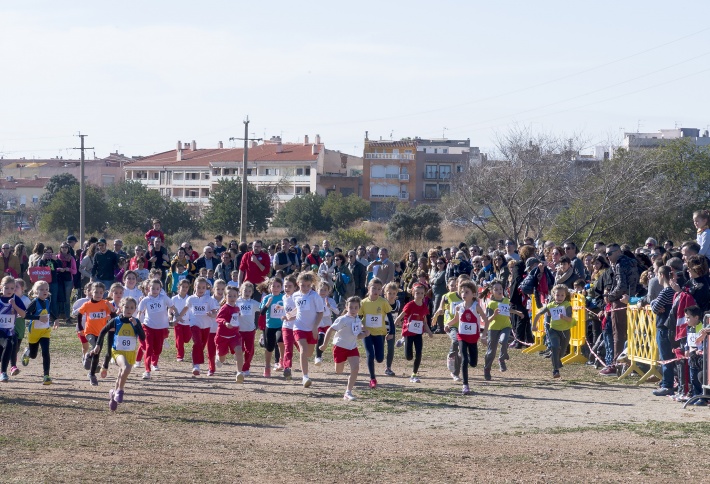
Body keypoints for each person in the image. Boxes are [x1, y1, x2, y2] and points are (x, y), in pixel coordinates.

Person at [89, 297, 146, 411]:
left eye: (132, 308)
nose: (129, 310)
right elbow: (103, 331)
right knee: (126, 367)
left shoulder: (136, 321)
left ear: (135, 309)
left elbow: (143, 337)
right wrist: (98, 345)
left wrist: (137, 326)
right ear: (121, 307)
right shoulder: (116, 320)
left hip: (130, 353)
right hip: (117, 351)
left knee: (121, 373)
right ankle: (120, 390)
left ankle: (113, 396)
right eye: (126, 307)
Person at [599, 243, 638, 376]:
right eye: (606, 254)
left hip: (620, 302)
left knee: (618, 334)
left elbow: (621, 285)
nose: (607, 256)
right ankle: (628, 363)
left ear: (618, 252)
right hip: (632, 300)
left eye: (610, 253)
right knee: (630, 334)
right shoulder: (632, 262)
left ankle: (616, 364)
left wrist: (609, 297)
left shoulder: (620, 264)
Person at [319, 296, 369, 401]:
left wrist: (365, 334)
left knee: (355, 369)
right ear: (346, 307)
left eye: (356, 307)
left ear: (359, 308)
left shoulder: (358, 320)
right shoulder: (342, 319)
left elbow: (357, 336)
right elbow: (329, 330)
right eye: (351, 307)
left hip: (352, 347)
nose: (353, 310)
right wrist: (324, 344)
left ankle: (348, 392)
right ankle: (340, 368)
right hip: (340, 347)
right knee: (339, 371)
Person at [445, 280, 490, 394]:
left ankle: (467, 356)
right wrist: (447, 324)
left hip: (473, 337)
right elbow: (455, 320)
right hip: (462, 336)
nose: (464, 294)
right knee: (464, 360)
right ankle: (465, 385)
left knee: (473, 363)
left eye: (467, 292)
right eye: (462, 292)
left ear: (473, 294)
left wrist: (484, 335)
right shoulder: (459, 307)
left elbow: (486, 320)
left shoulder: (476, 306)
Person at [533, 284, 576, 379]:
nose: (559, 297)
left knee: (562, 351)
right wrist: (534, 326)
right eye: (557, 295)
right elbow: (538, 314)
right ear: (553, 295)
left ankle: (557, 361)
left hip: (565, 331)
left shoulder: (567, 305)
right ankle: (555, 370)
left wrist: (564, 317)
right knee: (555, 347)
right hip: (553, 330)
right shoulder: (550, 305)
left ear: (565, 296)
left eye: (562, 295)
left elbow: (570, 319)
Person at [179, 276, 219, 377]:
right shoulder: (191, 299)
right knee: (197, 342)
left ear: (206, 288)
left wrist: (212, 314)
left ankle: (195, 359)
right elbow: (186, 308)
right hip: (194, 324)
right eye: (199, 287)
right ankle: (196, 366)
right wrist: (178, 317)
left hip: (206, 326)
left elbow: (215, 313)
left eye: (203, 287)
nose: (201, 290)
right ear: (194, 287)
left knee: (201, 345)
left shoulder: (209, 299)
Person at [77, 282, 116, 385]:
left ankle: (92, 374)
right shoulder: (87, 304)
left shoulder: (106, 303)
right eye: (96, 292)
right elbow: (79, 314)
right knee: (95, 347)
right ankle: (89, 356)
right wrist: (80, 327)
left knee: (97, 354)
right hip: (89, 332)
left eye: (101, 292)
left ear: (104, 293)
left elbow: (113, 316)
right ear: (91, 292)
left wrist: (112, 311)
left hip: (101, 333)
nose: (98, 294)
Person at [394, 283, 433, 383]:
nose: (419, 295)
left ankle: (414, 374)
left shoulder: (424, 306)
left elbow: (424, 321)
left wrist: (429, 331)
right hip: (408, 332)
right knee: (409, 357)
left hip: (418, 333)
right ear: (413, 293)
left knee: (419, 353)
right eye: (417, 293)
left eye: (421, 293)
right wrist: (395, 322)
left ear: (424, 294)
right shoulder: (410, 305)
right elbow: (402, 315)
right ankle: (403, 340)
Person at [20, 281, 58, 384]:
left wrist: (56, 319)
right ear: (36, 291)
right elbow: (25, 315)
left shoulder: (47, 301)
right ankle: (27, 352)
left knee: (46, 352)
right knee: (33, 355)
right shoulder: (34, 302)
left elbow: (50, 312)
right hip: (34, 332)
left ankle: (46, 376)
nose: (44, 291)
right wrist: (38, 318)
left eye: (46, 289)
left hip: (45, 332)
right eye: (41, 289)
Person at [483, 279, 522, 379]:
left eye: (500, 288)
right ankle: (487, 369)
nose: (499, 291)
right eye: (496, 289)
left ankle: (501, 358)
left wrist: (517, 312)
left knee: (504, 340)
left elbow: (508, 309)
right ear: (491, 291)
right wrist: (494, 315)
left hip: (505, 326)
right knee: (491, 352)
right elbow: (487, 320)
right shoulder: (491, 304)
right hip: (494, 328)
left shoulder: (506, 300)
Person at [358, 278, 392, 389]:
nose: (376, 291)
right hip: (367, 333)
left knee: (380, 358)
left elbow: (390, 318)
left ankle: (375, 369)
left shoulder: (383, 302)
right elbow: (358, 318)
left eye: (379, 289)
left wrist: (391, 331)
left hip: (380, 333)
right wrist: (360, 327)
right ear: (368, 289)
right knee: (370, 354)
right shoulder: (363, 303)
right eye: (374, 288)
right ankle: (372, 379)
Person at [292, 272, 324, 388]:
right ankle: (305, 377)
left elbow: (320, 312)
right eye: (302, 285)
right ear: (298, 284)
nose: (305, 288)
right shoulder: (295, 295)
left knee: (309, 353)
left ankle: (303, 356)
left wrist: (315, 327)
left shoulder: (315, 296)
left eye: (308, 285)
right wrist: (289, 315)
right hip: (298, 327)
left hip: (312, 329)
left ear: (311, 285)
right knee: (303, 350)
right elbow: (297, 308)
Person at [136, 279, 174, 380]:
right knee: (149, 348)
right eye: (153, 288)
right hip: (148, 326)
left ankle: (154, 362)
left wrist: (177, 315)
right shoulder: (145, 300)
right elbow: (139, 312)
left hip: (161, 327)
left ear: (160, 289)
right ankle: (147, 370)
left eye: (157, 288)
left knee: (157, 350)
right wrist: (137, 322)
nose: (155, 290)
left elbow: (172, 306)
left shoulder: (164, 298)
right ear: (149, 288)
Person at [215, 285, 245, 383]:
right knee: (222, 359)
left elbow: (236, 317)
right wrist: (225, 323)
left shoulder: (237, 308)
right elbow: (218, 318)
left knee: (239, 351)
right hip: (222, 336)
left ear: (237, 296)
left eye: (234, 296)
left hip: (234, 335)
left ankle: (239, 373)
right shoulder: (224, 308)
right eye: (230, 296)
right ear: (225, 297)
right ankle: (218, 357)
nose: (232, 298)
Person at [0, 276, 27, 382]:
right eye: (6, 288)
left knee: (10, 344)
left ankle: (3, 373)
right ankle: (4, 371)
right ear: (1, 287)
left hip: (10, 331)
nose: (9, 290)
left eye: (12, 288)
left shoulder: (16, 299)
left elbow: (23, 314)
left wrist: (14, 306)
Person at [259, 277, 284, 377]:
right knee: (269, 348)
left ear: (281, 288)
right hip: (270, 326)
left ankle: (281, 361)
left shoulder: (284, 297)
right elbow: (262, 313)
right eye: (273, 286)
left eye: (278, 286)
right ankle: (267, 366)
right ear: (269, 287)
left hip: (281, 325)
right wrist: (267, 304)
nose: (276, 288)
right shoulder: (267, 298)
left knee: (281, 340)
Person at [234, 282, 259, 377]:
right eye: (245, 290)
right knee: (239, 350)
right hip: (238, 330)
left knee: (250, 351)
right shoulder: (236, 302)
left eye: (249, 291)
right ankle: (239, 367)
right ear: (240, 291)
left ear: (252, 292)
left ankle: (246, 367)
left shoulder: (253, 303)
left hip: (250, 330)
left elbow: (263, 308)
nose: (247, 292)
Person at [315, 281, 338, 366]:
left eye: (325, 290)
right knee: (320, 337)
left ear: (329, 291)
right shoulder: (315, 300)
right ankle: (318, 357)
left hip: (328, 323)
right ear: (317, 290)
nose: (323, 292)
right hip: (318, 322)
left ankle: (319, 355)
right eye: (321, 290)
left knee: (325, 341)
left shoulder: (331, 300)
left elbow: (337, 311)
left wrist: (329, 306)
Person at [280, 275, 298, 380]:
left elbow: (299, 311)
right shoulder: (283, 297)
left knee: (302, 349)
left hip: (297, 327)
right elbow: (288, 308)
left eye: (289, 286)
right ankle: (287, 368)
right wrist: (281, 308)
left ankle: (305, 361)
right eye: (285, 286)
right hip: (286, 327)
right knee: (288, 348)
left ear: (295, 287)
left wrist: (291, 317)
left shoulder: (297, 297)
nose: (287, 288)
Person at [170, 279, 192, 362]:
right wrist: (170, 315)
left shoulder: (190, 298)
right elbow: (170, 309)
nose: (185, 289)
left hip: (188, 322)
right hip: (177, 322)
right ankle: (180, 355)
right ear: (179, 287)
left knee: (186, 339)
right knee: (179, 339)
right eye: (183, 287)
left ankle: (178, 344)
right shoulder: (174, 298)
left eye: (187, 287)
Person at [55, 242, 77, 322]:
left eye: (66, 247)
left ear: (68, 249)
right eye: (63, 247)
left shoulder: (71, 258)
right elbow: (53, 269)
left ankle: (67, 316)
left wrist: (68, 269)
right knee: (59, 298)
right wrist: (59, 269)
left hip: (68, 280)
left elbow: (75, 271)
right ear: (60, 248)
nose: (64, 249)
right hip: (59, 279)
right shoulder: (57, 257)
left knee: (67, 299)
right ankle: (57, 315)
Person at [382, 281, 400, 377]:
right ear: (385, 294)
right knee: (380, 349)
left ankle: (388, 368)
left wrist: (399, 321)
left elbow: (400, 315)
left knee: (390, 348)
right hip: (381, 329)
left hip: (391, 330)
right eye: (389, 293)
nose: (392, 295)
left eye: (394, 293)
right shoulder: (382, 303)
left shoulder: (398, 303)